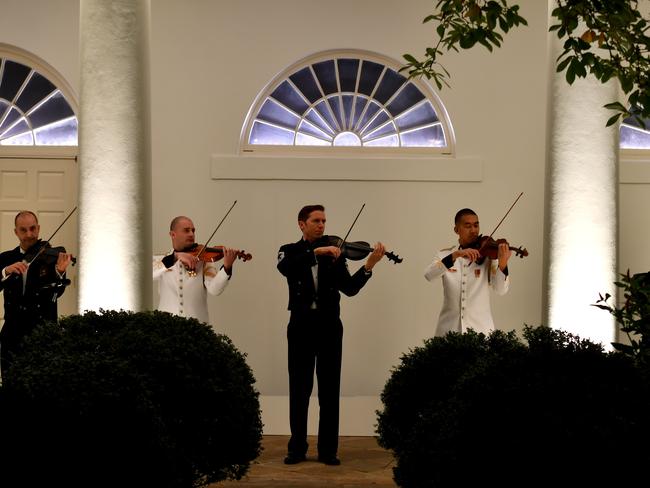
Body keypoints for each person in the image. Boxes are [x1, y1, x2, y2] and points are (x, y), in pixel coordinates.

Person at [277, 204, 385, 466]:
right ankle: (297, 448)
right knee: (299, 389)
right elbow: (286, 268)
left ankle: (328, 450)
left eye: (324, 221)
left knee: (329, 390)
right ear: (301, 224)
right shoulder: (289, 251)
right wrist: (316, 252)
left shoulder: (336, 254)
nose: (322, 225)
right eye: (316, 221)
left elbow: (349, 289)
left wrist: (369, 265)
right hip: (301, 326)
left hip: (329, 327)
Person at [0, 210, 74, 374]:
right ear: (16, 232)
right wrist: (5, 271)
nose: (29, 234)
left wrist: (59, 272)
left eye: (33, 228)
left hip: (43, 334)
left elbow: (57, 293)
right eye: (23, 230)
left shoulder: (51, 258)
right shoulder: (5, 258)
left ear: (38, 228)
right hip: (12, 334)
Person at [424, 208, 512, 336]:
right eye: (468, 226)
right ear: (456, 230)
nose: (474, 230)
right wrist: (455, 255)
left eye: (476, 225)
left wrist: (502, 263)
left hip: (481, 331)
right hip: (448, 330)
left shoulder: (489, 256)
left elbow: (500, 290)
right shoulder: (445, 254)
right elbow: (429, 275)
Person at [153, 216, 239, 324]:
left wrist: (227, 268)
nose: (191, 234)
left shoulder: (204, 261)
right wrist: (176, 256)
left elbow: (214, 289)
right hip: (166, 327)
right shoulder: (161, 260)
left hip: (196, 328)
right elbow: (148, 273)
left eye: (193, 230)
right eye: (186, 230)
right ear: (172, 234)